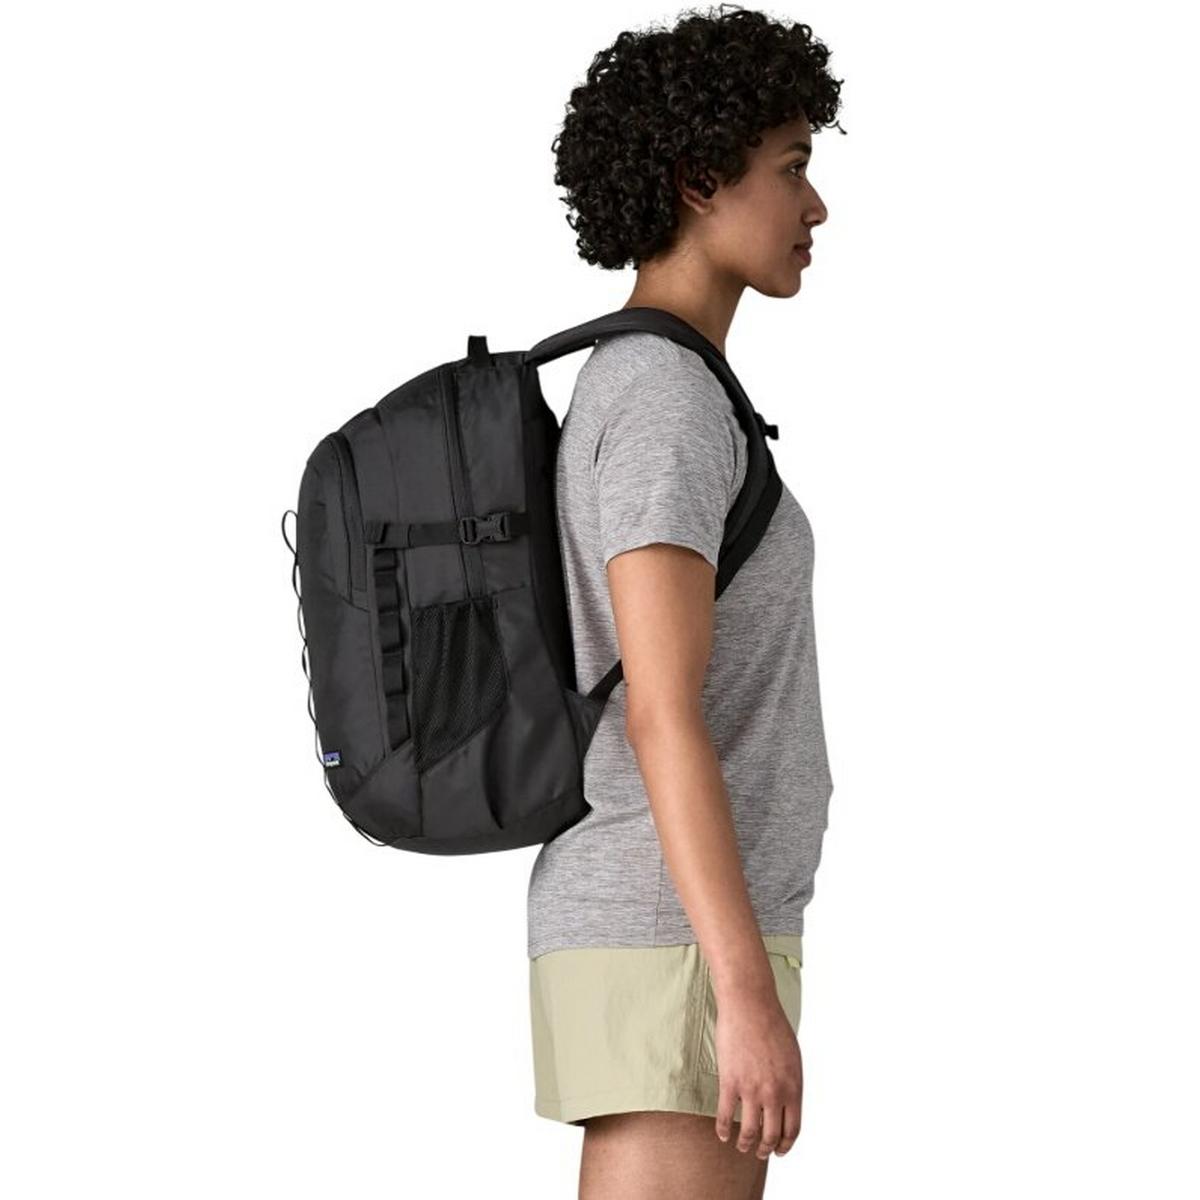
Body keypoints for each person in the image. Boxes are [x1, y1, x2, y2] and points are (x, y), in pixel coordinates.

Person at [526, 7, 845, 1197]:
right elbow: (662, 713)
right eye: (792, 167)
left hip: (682, 923)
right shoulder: (662, 398)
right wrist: (741, 994)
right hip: (673, 929)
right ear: (701, 180)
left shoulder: (673, 387)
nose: (817, 206)